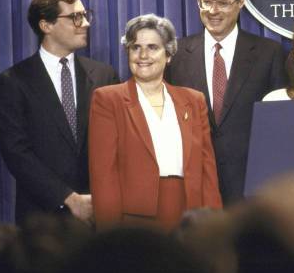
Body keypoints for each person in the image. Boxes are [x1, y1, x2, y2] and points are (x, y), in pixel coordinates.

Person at [0, 0, 119, 226]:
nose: (85, 23)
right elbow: (17, 153)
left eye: (85, 15)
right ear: (46, 26)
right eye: (75, 17)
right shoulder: (13, 81)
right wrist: (68, 199)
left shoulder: (104, 75)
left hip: (98, 218)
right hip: (42, 221)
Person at [166, 0, 286, 205]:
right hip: (193, 191)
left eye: (222, 3)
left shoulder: (268, 54)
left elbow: (279, 127)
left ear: (240, 3)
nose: (213, 11)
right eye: (206, 2)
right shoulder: (176, 55)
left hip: (253, 191)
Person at [89, 14, 222, 231]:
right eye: (135, 47)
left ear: (169, 54)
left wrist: (214, 226)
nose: (143, 55)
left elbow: (208, 172)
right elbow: (104, 176)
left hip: (190, 216)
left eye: (153, 47)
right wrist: (110, 235)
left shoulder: (193, 100)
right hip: (134, 222)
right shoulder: (107, 99)